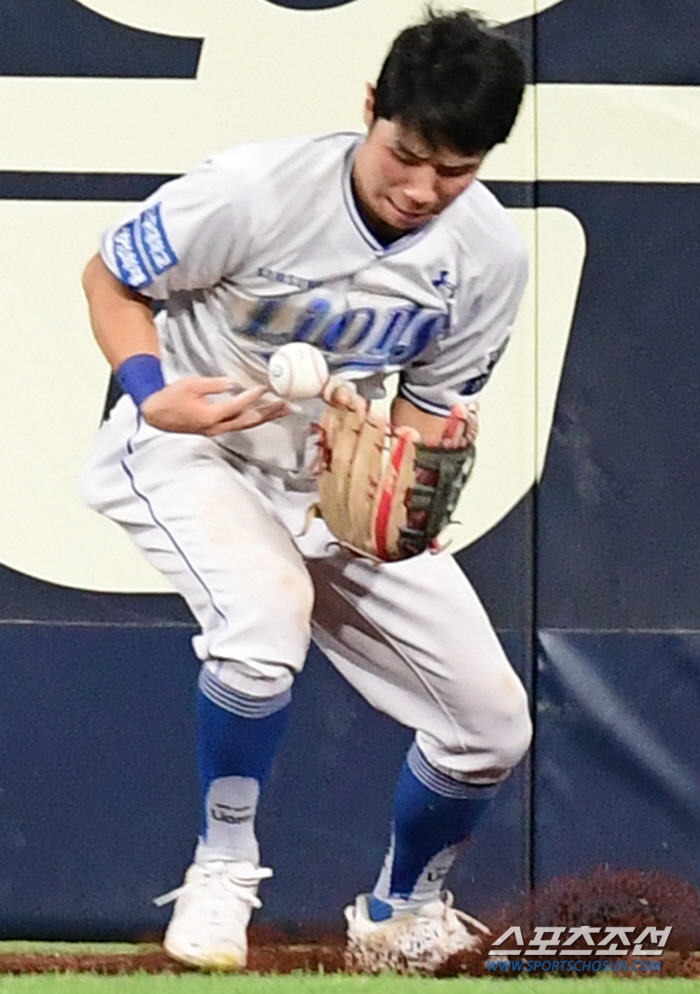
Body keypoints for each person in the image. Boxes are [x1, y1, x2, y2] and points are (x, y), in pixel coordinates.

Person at [80, 6, 532, 975]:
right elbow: (110, 280)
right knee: (265, 612)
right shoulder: (254, 192)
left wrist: (395, 484)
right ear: (370, 107)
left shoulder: (487, 257)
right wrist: (154, 394)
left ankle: (399, 912)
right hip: (188, 448)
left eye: (453, 170)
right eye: (404, 153)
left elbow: (422, 418)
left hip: (322, 484)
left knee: (491, 724)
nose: (420, 189)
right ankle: (222, 868)